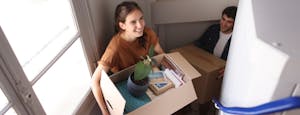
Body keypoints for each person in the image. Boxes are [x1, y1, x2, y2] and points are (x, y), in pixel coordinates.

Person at [91, 1, 164, 115]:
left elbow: (161, 53)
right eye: (133, 22)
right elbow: (95, 81)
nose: (140, 25)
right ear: (122, 25)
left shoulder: (148, 33)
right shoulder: (115, 47)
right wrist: (105, 111)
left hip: (145, 77)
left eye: (141, 18)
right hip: (126, 85)